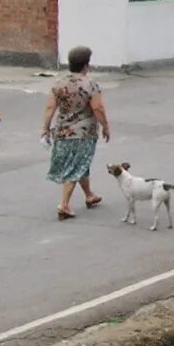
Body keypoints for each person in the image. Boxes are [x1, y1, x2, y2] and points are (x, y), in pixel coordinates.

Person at [41, 45, 111, 220]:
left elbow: (50, 107)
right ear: (86, 65)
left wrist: (45, 128)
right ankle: (64, 205)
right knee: (76, 166)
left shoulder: (58, 83)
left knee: (80, 163)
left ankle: (89, 195)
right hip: (84, 133)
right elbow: (98, 108)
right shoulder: (90, 84)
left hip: (62, 132)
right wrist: (105, 126)